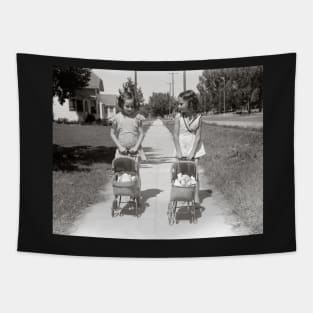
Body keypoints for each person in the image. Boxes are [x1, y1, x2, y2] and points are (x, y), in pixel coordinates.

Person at [173, 89, 206, 208]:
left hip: (194, 148)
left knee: (194, 173)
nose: (179, 106)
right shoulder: (178, 117)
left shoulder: (199, 118)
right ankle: (183, 195)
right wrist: (178, 151)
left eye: (181, 104)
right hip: (181, 147)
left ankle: (196, 199)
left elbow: (198, 137)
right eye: (178, 103)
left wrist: (193, 152)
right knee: (181, 173)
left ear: (190, 104)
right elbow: (175, 135)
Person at [110, 90, 146, 161]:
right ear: (121, 105)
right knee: (121, 170)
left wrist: (136, 147)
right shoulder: (117, 118)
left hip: (135, 151)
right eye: (127, 106)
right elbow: (112, 134)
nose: (130, 109)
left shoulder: (137, 117)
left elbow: (142, 134)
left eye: (132, 106)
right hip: (121, 151)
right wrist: (120, 147)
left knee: (134, 170)